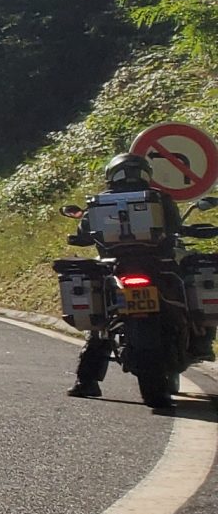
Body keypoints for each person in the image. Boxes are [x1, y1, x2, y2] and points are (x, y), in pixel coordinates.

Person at [70, 153, 189, 400]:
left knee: (102, 325)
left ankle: (87, 381)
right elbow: (176, 228)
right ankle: (190, 347)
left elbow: (82, 235)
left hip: (116, 268)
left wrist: (80, 237)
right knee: (184, 303)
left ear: (112, 174)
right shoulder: (160, 198)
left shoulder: (99, 202)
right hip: (157, 267)